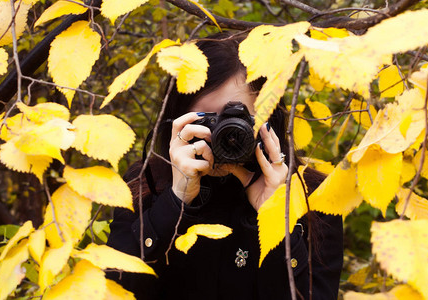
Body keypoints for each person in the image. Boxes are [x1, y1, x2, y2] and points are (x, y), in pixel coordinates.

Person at [106, 32, 343, 300]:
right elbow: (114, 290)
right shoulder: (145, 184)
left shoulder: (315, 196)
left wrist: (276, 216)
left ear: (270, 121)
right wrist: (175, 202)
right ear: (177, 121)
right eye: (209, 121)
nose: (226, 135)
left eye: (241, 120)